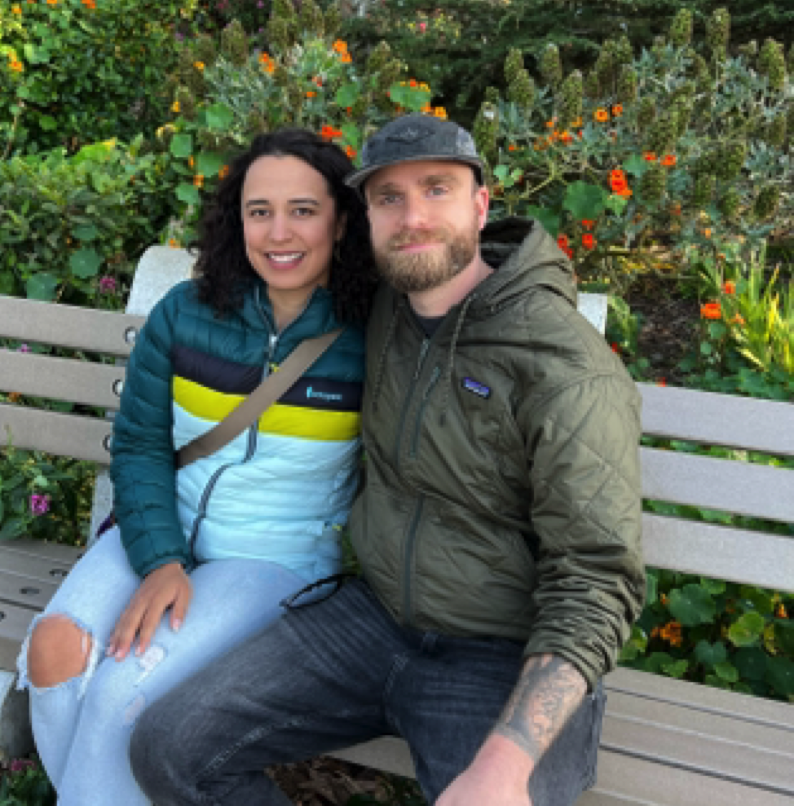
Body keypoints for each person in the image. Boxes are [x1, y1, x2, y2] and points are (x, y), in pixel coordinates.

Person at [128, 113, 645, 806]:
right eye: (388, 198)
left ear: (481, 205)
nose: (413, 217)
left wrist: (509, 757)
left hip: (497, 655)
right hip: (370, 621)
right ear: (363, 218)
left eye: (437, 189)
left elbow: (596, 577)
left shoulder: (562, 366)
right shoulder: (383, 308)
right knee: (170, 748)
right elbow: (278, 277)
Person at [16, 129, 379, 806]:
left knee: (123, 691)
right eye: (258, 210)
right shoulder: (186, 314)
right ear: (235, 220)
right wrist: (160, 558)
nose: (279, 232)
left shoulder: (371, 338)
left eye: (303, 209)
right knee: (55, 651)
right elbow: (141, 445)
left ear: (341, 218)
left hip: (275, 559)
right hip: (161, 535)